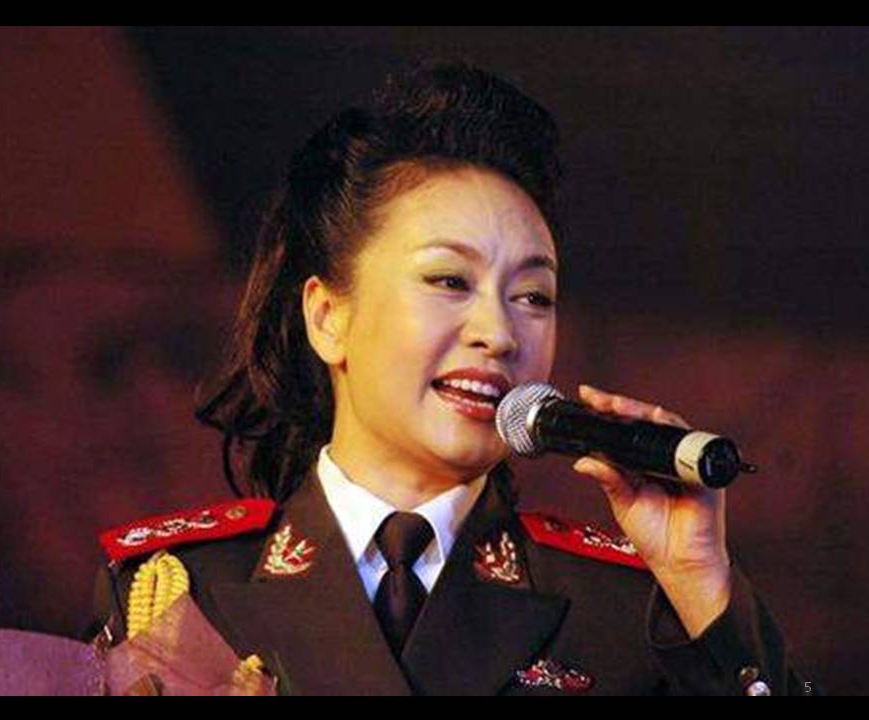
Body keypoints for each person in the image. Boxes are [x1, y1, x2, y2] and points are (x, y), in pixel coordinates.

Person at [89, 59, 813, 695]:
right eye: (449, 280)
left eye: (533, 296)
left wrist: (700, 582)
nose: (499, 332)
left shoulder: (626, 605)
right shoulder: (178, 591)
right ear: (328, 316)